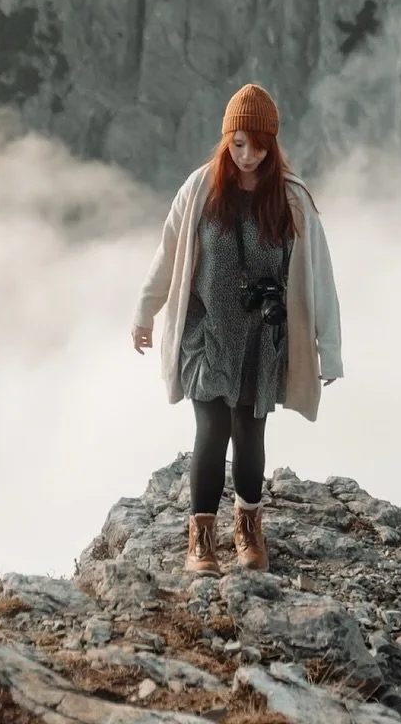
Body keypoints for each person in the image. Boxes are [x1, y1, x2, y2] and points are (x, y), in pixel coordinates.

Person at [131, 83, 342, 575]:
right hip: (206, 336)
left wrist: (327, 350)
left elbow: (320, 277)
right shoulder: (201, 189)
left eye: (259, 144)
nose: (248, 155)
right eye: (239, 143)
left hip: (261, 344)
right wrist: (145, 310)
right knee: (212, 428)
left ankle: (248, 529)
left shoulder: (292, 200)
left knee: (250, 431)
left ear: (273, 143)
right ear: (227, 140)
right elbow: (169, 252)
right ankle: (200, 538)